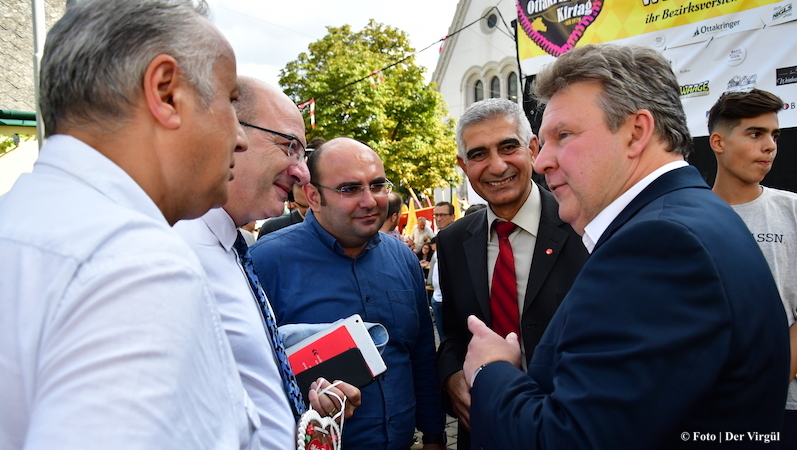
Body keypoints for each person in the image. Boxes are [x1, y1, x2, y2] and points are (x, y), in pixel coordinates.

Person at [462, 44, 789, 449]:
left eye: (563, 135)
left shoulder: (660, 244)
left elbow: (570, 439)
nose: (543, 161)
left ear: (636, 132)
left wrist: (491, 370)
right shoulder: (688, 217)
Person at [0, 1, 259, 448]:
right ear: (165, 93)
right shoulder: (135, 266)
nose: (239, 137)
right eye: (231, 100)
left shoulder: (22, 225)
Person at [174, 77, 360, 449]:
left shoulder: (230, 247)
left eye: (302, 154)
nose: (302, 172)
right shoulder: (176, 255)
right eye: (289, 147)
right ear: (229, 133)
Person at [250, 137, 446, 450]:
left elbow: (420, 355)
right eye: (350, 189)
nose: (369, 200)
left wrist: (435, 436)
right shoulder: (265, 263)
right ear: (313, 196)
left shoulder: (403, 258)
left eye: (378, 185)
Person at [435, 98, 588, 449]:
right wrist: (452, 376)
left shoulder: (583, 225)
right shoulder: (453, 241)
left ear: (533, 149)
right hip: (486, 430)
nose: (496, 165)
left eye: (508, 147)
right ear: (463, 165)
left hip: (567, 430)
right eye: (478, 154)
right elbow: (456, 336)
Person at [708, 88, 797, 447]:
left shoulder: (792, 210)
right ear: (718, 141)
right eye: (755, 134)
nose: (770, 146)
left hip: (785, 407)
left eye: (774, 135)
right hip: (708, 407)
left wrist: (769, 382)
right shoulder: (685, 216)